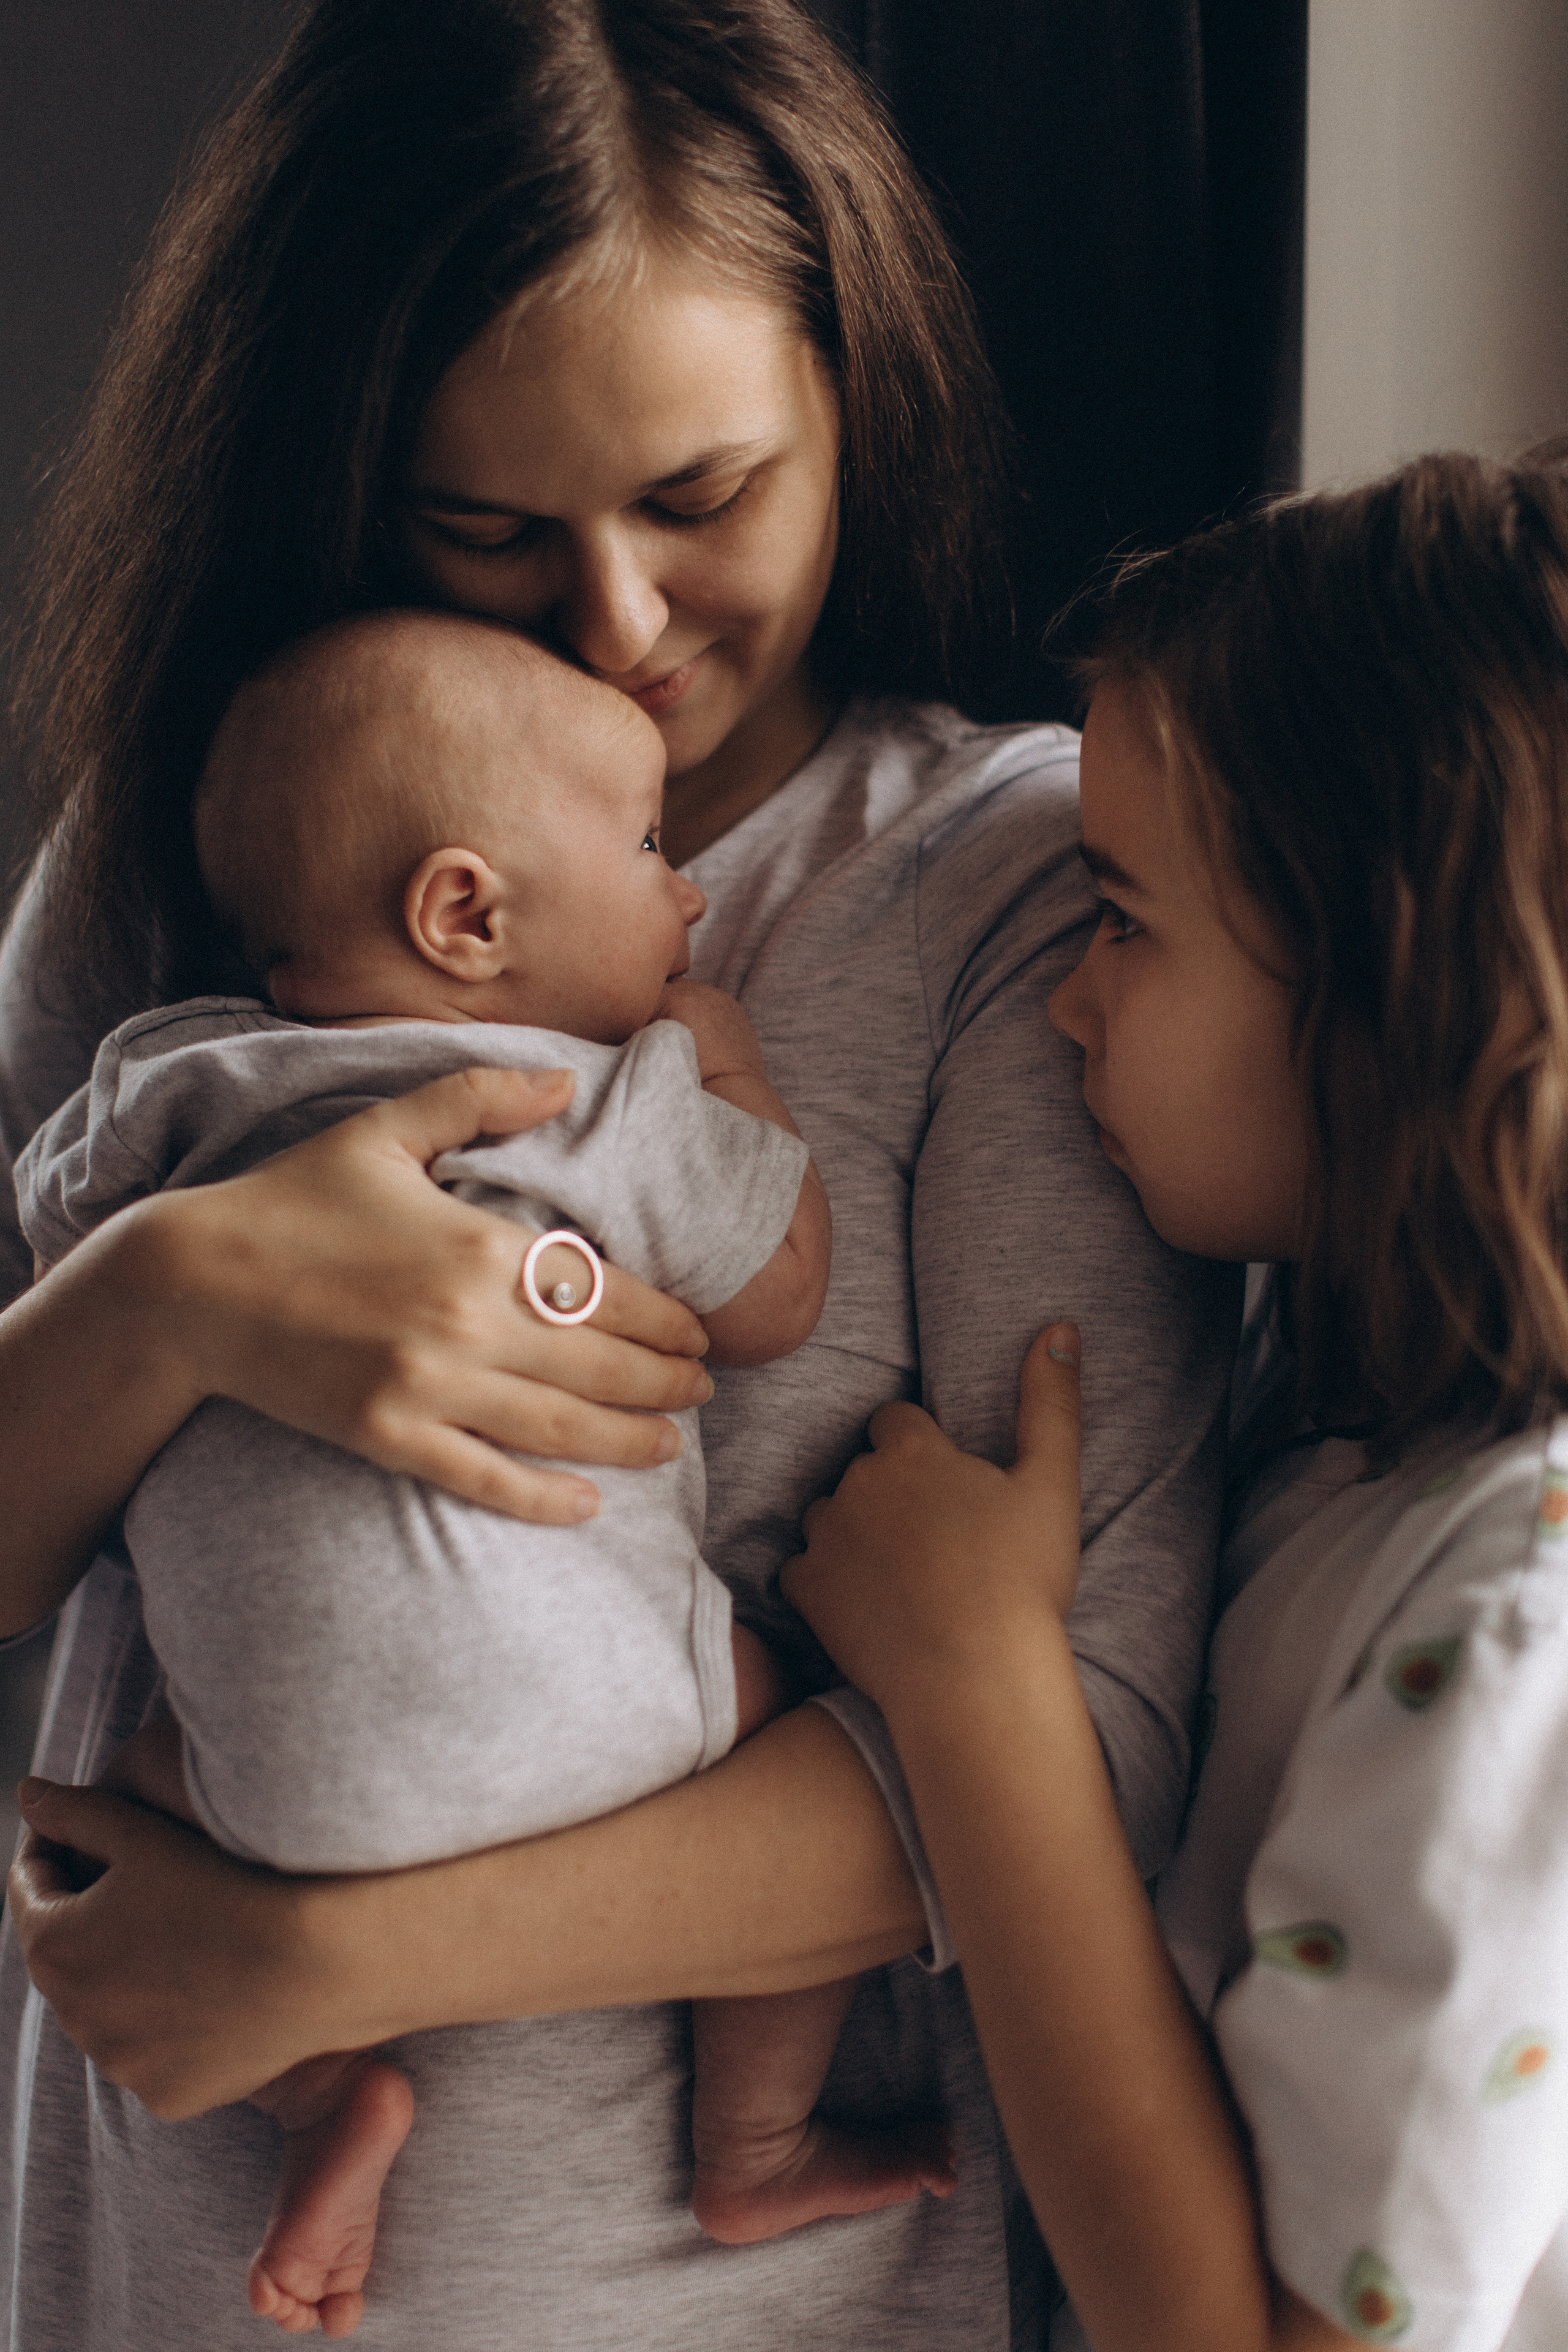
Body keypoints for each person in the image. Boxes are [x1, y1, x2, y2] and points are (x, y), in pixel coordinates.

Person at [0, 3, 1236, 2345]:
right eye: (485, 531)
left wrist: (331, 1957)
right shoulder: (203, 854)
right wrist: (171, 1304)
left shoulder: (1021, 901)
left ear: (853, 400)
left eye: (701, 500)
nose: (618, 627)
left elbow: (1084, 1752)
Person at [18, 605, 952, 2335]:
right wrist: (726, 1074)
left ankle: (326, 2097)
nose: (685, 894)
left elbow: (49, 1231)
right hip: (594, 1737)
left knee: (105, 1816)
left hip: (256, 1795)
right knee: (779, 1699)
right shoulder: (594, 1098)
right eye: (653, 847)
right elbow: (780, 1295)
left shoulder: (162, 1083)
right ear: (469, 912)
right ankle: (755, 2137)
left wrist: (153, 1275)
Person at [783, 448, 1568, 2352]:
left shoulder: (1516, 1618)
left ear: (1382, 988)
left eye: (1125, 920)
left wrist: (979, 1688)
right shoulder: (1342, 1406)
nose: (1067, 997)